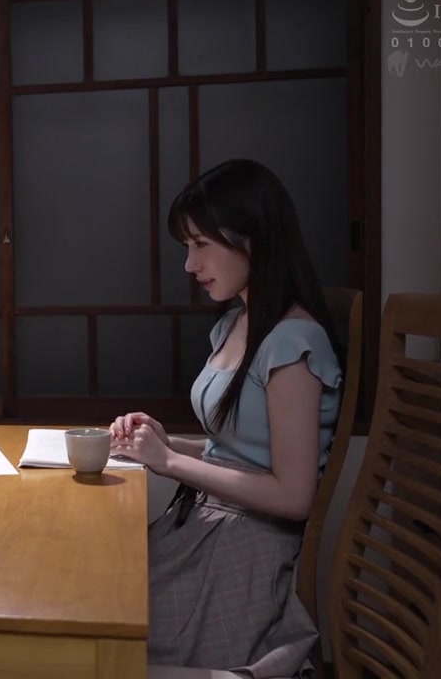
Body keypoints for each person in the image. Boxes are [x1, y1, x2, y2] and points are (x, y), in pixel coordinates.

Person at [108, 159, 343, 678]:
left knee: (106, 635)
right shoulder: (238, 322)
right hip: (202, 525)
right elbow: (236, 447)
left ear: (252, 239)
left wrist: (170, 462)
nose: (190, 265)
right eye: (186, 247)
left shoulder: (293, 343)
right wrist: (165, 443)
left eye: (200, 244)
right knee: (94, 592)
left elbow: (293, 495)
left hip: (243, 547)